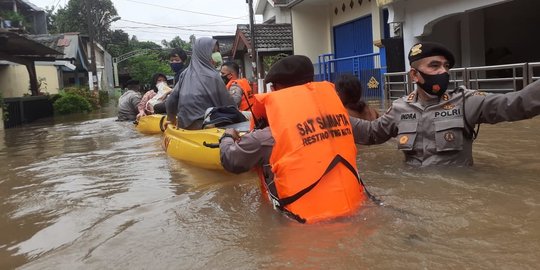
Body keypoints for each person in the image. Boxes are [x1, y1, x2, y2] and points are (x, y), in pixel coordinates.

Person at [219, 55, 368, 223]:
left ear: (279, 88)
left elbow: (231, 160)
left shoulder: (268, 136)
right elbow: (372, 132)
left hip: (302, 227)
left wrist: (227, 136)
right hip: (355, 213)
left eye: (274, 87)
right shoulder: (340, 120)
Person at [350, 41, 540, 166]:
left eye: (446, 66)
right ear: (414, 75)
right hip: (415, 194)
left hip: (458, 200)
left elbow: (516, 104)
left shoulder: (466, 101)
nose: (443, 72)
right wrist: (329, 117)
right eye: (434, 66)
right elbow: (371, 133)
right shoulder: (400, 108)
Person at [166, 37, 236, 130]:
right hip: (206, 126)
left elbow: (171, 100)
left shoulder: (184, 73)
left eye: (217, 51)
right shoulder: (213, 76)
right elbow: (230, 106)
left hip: (184, 125)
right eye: (213, 52)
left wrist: (171, 121)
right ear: (204, 54)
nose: (217, 55)